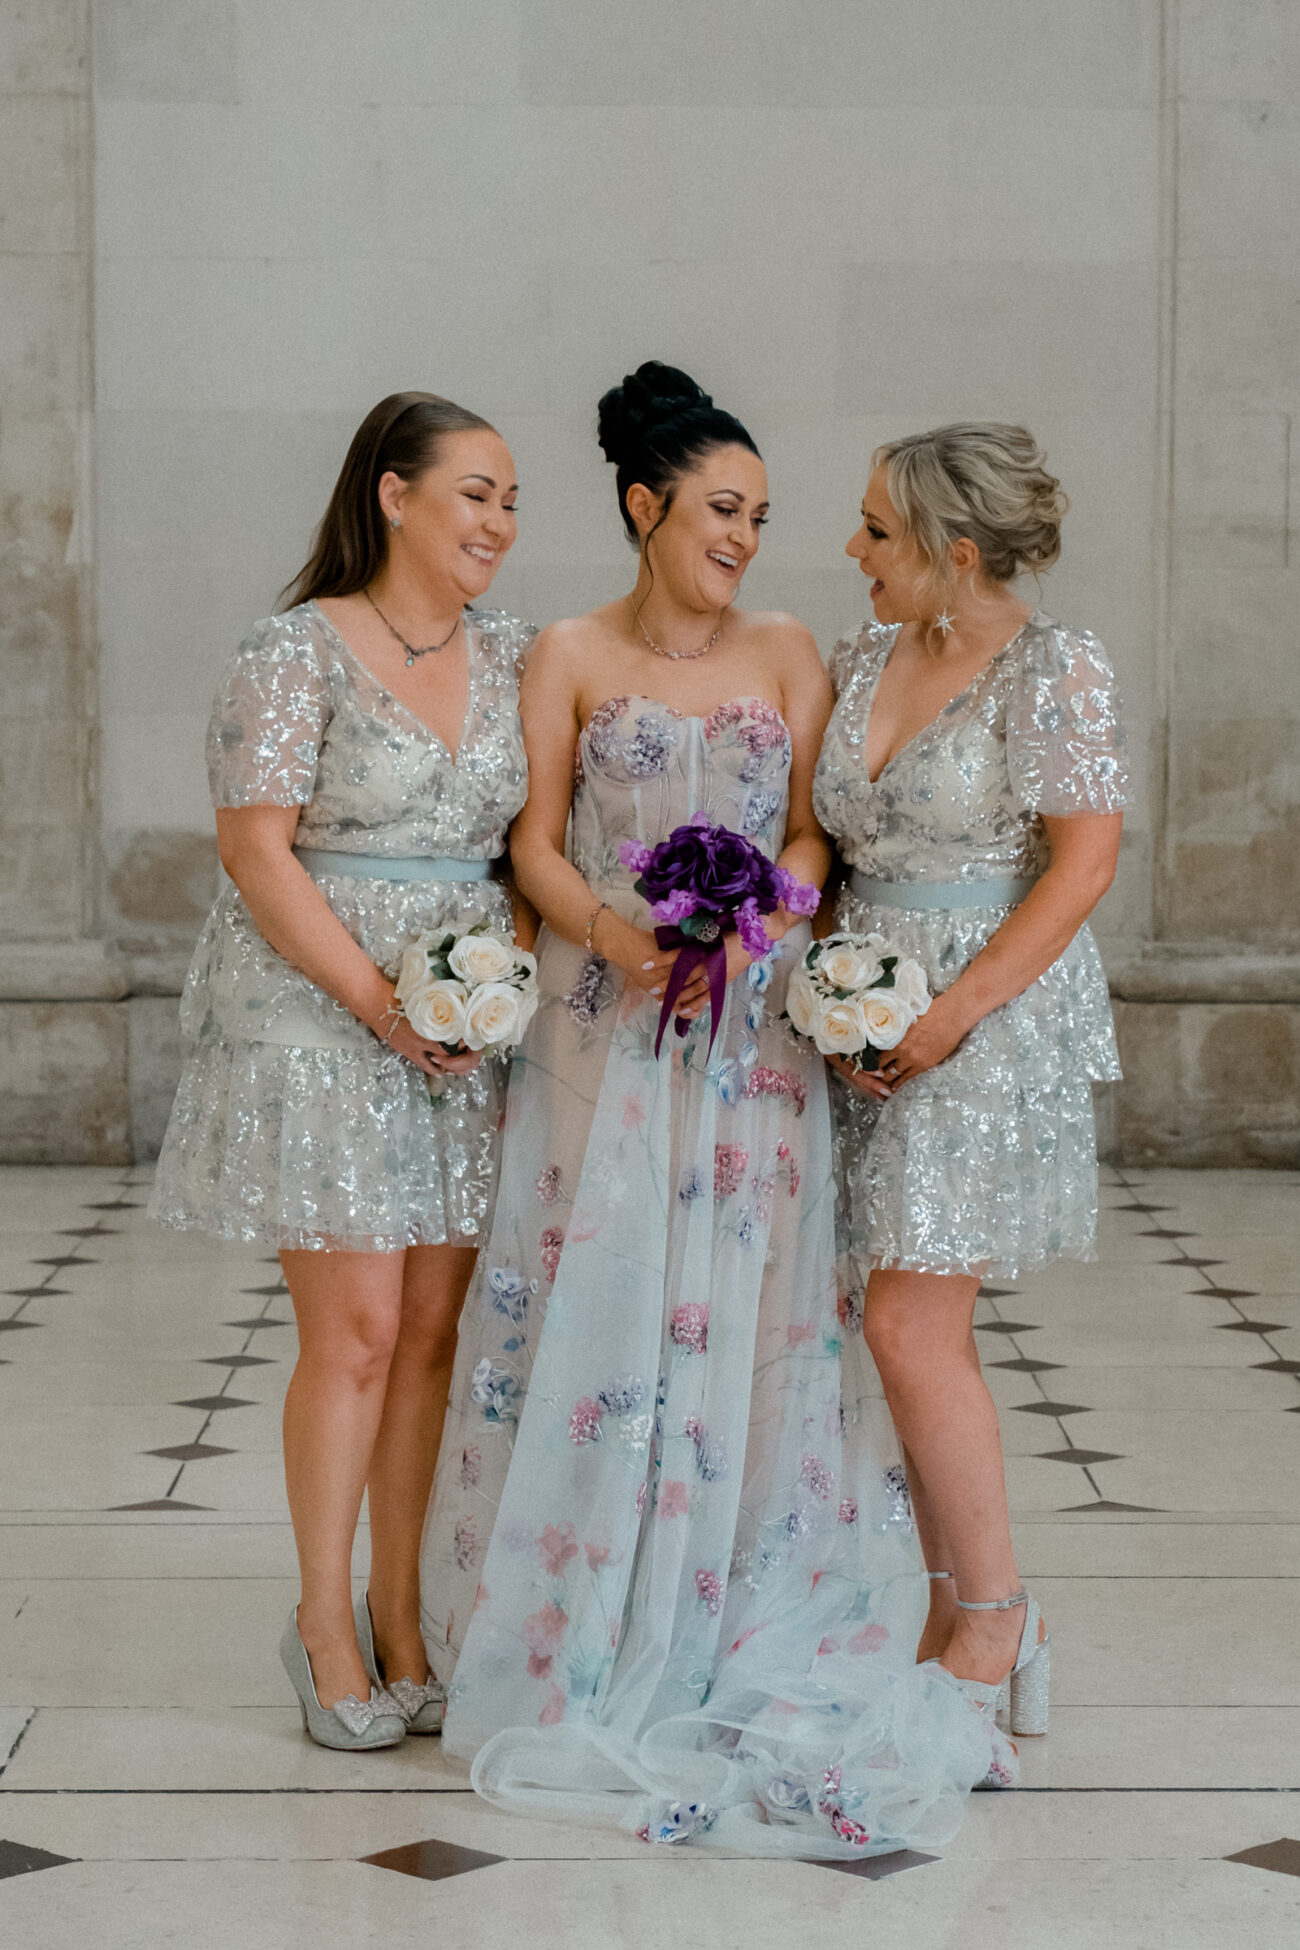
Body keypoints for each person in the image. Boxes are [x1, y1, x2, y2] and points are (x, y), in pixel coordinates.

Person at [419, 364, 998, 1858]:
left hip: (751, 1029)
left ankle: (749, 1587)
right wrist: (618, 933)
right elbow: (534, 841)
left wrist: (765, 912)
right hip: (606, 1022)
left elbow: (813, 823)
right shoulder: (563, 651)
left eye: (760, 515)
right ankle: (589, 1595)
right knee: (598, 1294)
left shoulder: (794, 648)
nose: (746, 536)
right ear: (644, 504)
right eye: (723, 510)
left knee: (752, 1305)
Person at [150, 392, 535, 1750]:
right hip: (323, 1009)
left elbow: (532, 845)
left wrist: (501, 982)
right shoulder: (292, 650)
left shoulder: (517, 656)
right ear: (394, 493)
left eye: (509, 500)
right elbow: (255, 850)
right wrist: (380, 1001)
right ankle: (321, 1621)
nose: (496, 520)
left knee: (433, 1336)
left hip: (469, 1021)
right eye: (474, 491)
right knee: (357, 1333)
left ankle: (403, 1608)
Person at [812, 422, 1131, 1735]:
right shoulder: (856, 658)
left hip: (983, 1016)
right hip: (851, 1018)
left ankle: (998, 1617)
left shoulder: (1055, 669)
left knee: (910, 1324)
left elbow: (1084, 863)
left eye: (877, 531)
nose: (852, 550)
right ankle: (947, 1605)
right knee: (884, 1318)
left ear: (954, 551)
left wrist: (949, 1016)